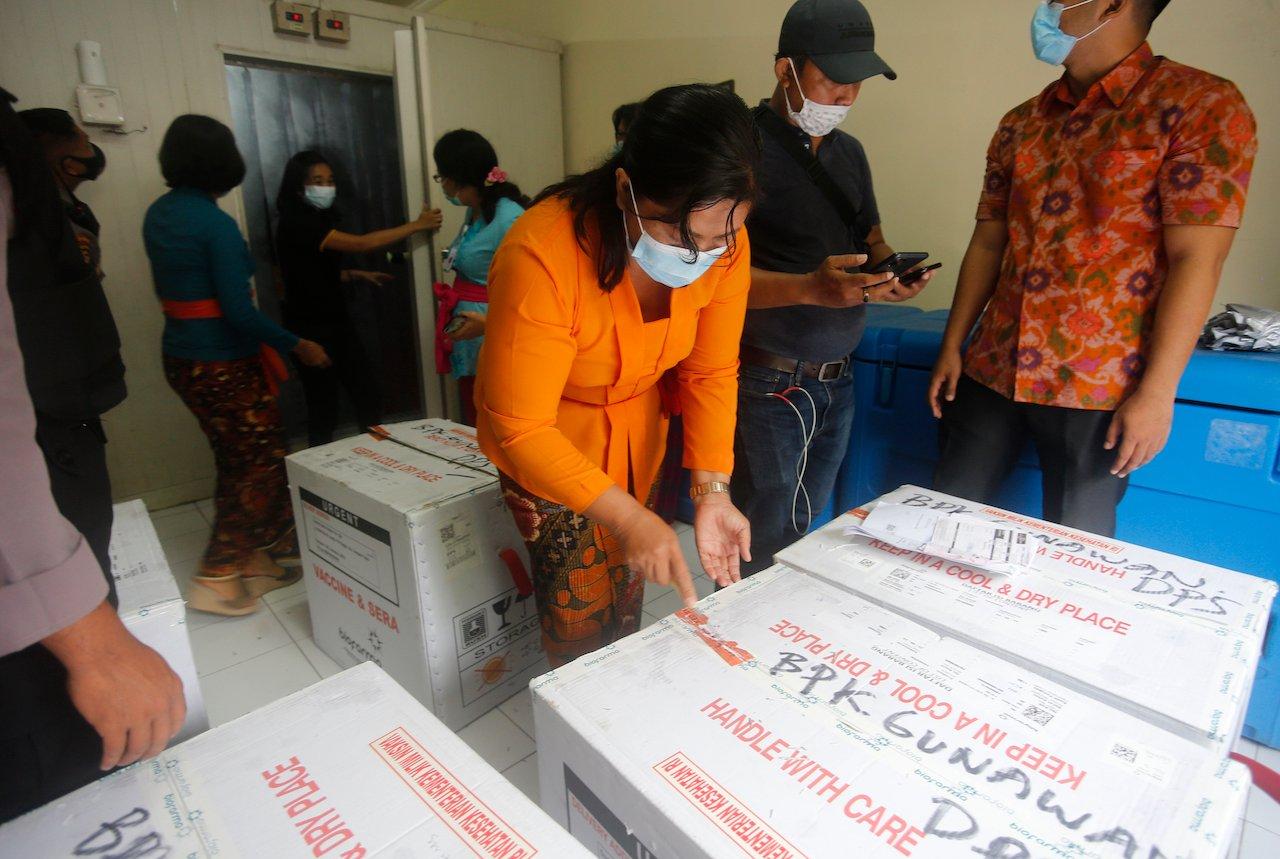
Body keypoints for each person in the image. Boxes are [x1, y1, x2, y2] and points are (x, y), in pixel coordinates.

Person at [929, 0, 1257, 538]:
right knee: (943, 520)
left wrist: (1157, 392)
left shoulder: (1198, 105)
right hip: (992, 367)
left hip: (1100, 383)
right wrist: (952, 343)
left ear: (1112, 5)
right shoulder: (1022, 122)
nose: (1047, 9)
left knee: (1075, 547)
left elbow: (1198, 256)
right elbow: (989, 241)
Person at [476, 84, 759, 667]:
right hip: (550, 446)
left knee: (627, 591)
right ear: (627, 189)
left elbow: (710, 371)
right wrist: (630, 518)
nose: (701, 255)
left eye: (717, 239)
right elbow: (520, 427)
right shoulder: (542, 253)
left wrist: (712, 491)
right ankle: (575, 719)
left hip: (642, 433)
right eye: (681, 235)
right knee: (575, 610)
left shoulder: (726, 242)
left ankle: (616, 687)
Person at [0, 88, 185, 825]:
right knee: (56, 749)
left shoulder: (88, 209)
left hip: (67, 419)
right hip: (41, 453)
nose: (86, 154)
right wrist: (92, 641)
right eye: (72, 144)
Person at [731, 0, 932, 577]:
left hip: (838, 374)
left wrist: (892, 275)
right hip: (767, 377)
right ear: (785, 69)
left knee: (806, 520)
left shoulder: (850, 155)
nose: (845, 97)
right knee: (764, 527)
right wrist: (809, 289)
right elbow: (709, 281)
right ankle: (741, 641)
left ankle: (775, 628)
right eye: (832, 80)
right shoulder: (739, 153)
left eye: (857, 84)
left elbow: (872, 240)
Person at [144, 115, 329, 616]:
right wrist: (297, 343)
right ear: (225, 163)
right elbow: (239, 311)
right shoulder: (214, 224)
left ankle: (258, 558)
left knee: (245, 458)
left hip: (183, 359)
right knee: (252, 467)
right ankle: (217, 574)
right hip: (222, 363)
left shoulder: (160, 213)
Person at [14, 107, 127, 593]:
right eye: (80, 140)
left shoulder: (64, 205)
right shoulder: (31, 213)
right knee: (79, 517)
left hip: (69, 391)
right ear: (48, 146)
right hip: (50, 396)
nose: (90, 152)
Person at [275, 150, 443, 446]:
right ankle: (321, 476)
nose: (325, 187)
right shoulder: (298, 222)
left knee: (365, 395)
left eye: (329, 181)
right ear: (299, 186)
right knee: (324, 407)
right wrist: (417, 225)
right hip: (311, 330)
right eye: (317, 181)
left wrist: (353, 276)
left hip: (334, 322)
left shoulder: (317, 218)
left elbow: (308, 273)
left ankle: (376, 461)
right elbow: (362, 244)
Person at [431, 129, 527, 426]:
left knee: (490, 412)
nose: (442, 184)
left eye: (442, 175)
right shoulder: (475, 212)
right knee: (471, 410)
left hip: (490, 323)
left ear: (460, 176)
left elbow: (526, 284)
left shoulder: (509, 217)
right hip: (468, 323)